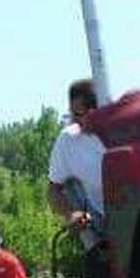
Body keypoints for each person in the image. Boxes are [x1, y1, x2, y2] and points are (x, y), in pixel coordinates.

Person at [47, 78, 107, 233]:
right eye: (72, 114)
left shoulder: (125, 130)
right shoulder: (68, 140)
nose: (74, 120)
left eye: (79, 114)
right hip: (100, 221)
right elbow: (53, 189)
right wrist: (71, 214)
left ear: (98, 110)